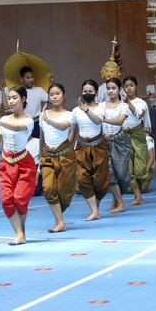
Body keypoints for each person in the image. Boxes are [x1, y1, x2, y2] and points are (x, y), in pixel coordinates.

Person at [0, 86, 36, 245]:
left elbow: (18, 128)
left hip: (24, 163)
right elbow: (3, 141)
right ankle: (19, 234)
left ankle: (20, 234)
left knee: (20, 198)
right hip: (6, 163)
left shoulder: (28, 120)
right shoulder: (4, 119)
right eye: (9, 98)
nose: (11, 101)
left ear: (23, 99)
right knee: (6, 199)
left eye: (14, 97)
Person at [38, 83, 76, 233]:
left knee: (64, 190)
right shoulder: (43, 114)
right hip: (48, 155)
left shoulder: (69, 114)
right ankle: (60, 222)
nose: (54, 97)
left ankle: (59, 220)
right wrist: (40, 155)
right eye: (51, 94)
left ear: (64, 96)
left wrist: (48, 120)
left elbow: (64, 126)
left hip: (65, 155)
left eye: (57, 94)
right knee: (48, 188)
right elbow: (42, 136)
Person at [71, 80, 109, 221]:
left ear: (96, 93)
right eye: (85, 91)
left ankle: (95, 208)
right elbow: (72, 132)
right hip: (82, 147)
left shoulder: (101, 108)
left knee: (100, 181)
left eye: (90, 91)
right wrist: (66, 148)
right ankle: (94, 211)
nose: (87, 94)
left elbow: (98, 121)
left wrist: (86, 110)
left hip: (99, 147)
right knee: (82, 179)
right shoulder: (75, 111)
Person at [100, 77, 131, 214]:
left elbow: (120, 121)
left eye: (113, 88)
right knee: (110, 174)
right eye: (108, 88)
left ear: (119, 90)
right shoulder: (101, 105)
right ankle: (121, 203)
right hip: (105, 141)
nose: (110, 91)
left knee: (122, 175)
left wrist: (103, 119)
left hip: (121, 141)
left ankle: (116, 199)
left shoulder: (124, 106)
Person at [0, 66, 48, 138]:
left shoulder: (39, 90)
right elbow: (6, 108)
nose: (31, 80)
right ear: (22, 79)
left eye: (32, 77)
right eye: (28, 78)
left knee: (36, 142)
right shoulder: (15, 91)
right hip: (20, 121)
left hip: (36, 122)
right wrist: (3, 91)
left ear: (23, 99)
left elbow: (51, 100)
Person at [122, 75, 152, 204]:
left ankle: (142, 182)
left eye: (131, 85)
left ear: (136, 87)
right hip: (124, 136)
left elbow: (139, 115)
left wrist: (127, 103)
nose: (129, 88)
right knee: (128, 167)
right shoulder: (119, 104)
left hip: (138, 135)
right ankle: (137, 197)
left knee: (140, 169)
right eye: (126, 86)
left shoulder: (141, 102)